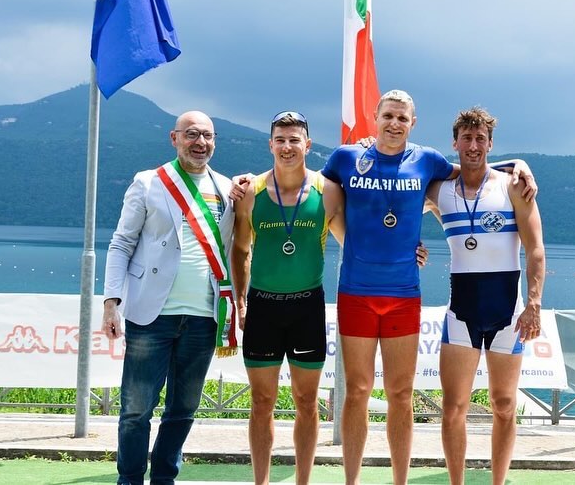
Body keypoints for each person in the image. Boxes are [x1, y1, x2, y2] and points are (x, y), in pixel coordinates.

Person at [321, 90, 537, 485]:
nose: (394, 123)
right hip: (356, 291)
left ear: (413, 123)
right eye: (388, 115)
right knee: (359, 391)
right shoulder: (346, 158)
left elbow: (474, 169)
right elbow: (320, 198)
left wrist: (517, 163)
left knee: (404, 394)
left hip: (408, 294)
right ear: (376, 116)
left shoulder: (428, 162)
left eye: (402, 118)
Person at [102, 111, 238, 485]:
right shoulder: (148, 182)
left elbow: (241, 247)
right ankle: (129, 479)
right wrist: (111, 301)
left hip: (204, 315)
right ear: (174, 138)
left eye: (208, 136)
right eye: (191, 134)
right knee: (136, 408)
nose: (200, 142)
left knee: (183, 409)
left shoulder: (228, 189)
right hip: (151, 314)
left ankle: (164, 478)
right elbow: (121, 243)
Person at [425, 107, 545, 485]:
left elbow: (536, 249)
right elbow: (400, 189)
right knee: (453, 408)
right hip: (461, 314)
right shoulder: (440, 190)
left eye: (481, 139)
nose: (473, 146)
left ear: (491, 144)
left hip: (508, 314)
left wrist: (534, 303)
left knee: (504, 406)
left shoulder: (512, 186)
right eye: (467, 139)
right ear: (455, 143)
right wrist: (409, 242)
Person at [230, 111, 345, 485]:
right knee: (262, 403)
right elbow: (241, 248)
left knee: (307, 403)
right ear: (270, 145)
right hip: (263, 307)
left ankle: (302, 481)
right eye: (280, 140)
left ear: (307, 145)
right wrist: (242, 300)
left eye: (294, 140)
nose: (287, 147)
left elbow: (355, 241)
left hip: (307, 307)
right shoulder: (250, 191)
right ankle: (261, 482)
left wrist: (406, 249)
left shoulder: (327, 190)